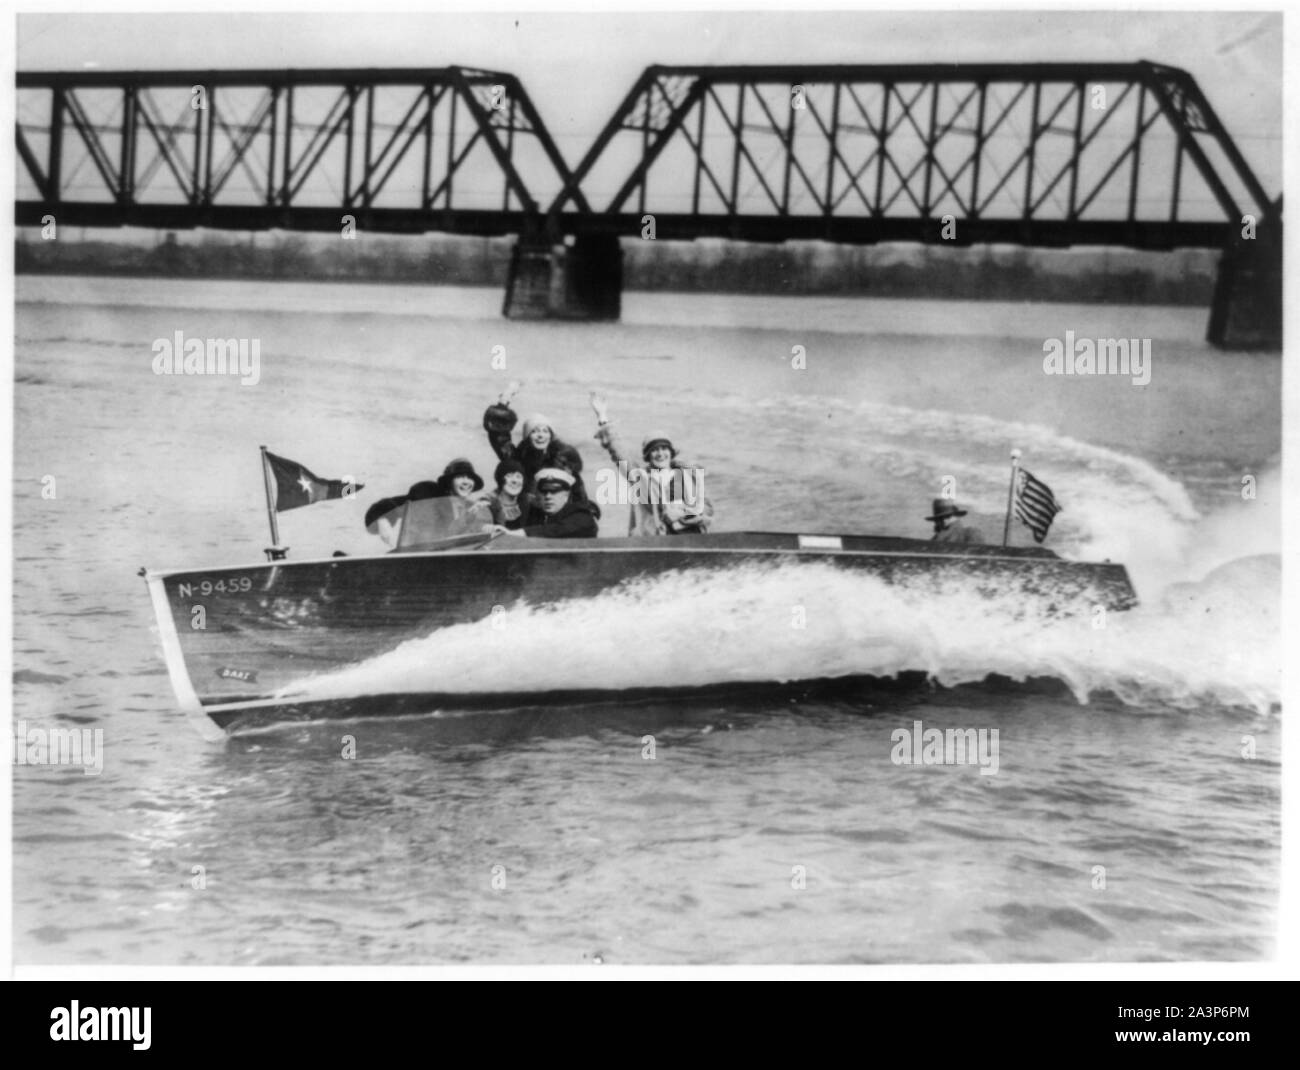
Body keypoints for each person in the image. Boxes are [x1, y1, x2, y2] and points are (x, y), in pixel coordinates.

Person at [588, 392, 713, 536]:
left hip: (689, 535)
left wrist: (684, 514)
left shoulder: (688, 475)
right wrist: (603, 417)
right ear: (648, 456)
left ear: (671, 452)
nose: (660, 454)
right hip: (655, 540)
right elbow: (620, 454)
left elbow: (707, 510)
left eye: (664, 448)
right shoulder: (641, 479)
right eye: (654, 450)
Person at [482, 380, 589, 502]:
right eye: (534, 431)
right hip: (525, 512)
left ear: (551, 436)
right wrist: (503, 402)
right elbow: (499, 436)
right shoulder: (519, 458)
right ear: (527, 437)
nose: (540, 436)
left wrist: (586, 512)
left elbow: (578, 492)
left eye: (545, 431)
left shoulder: (563, 461)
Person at [495, 468, 599, 539]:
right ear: (538, 495)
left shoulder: (582, 515)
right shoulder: (534, 515)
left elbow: (558, 529)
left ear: (566, 496)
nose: (548, 496)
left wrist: (521, 533)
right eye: (544, 492)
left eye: (554, 492)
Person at [484, 458, 527, 530]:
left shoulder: (527, 502)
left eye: (518, 476)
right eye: (509, 476)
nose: (515, 481)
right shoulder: (489, 504)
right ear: (500, 479)